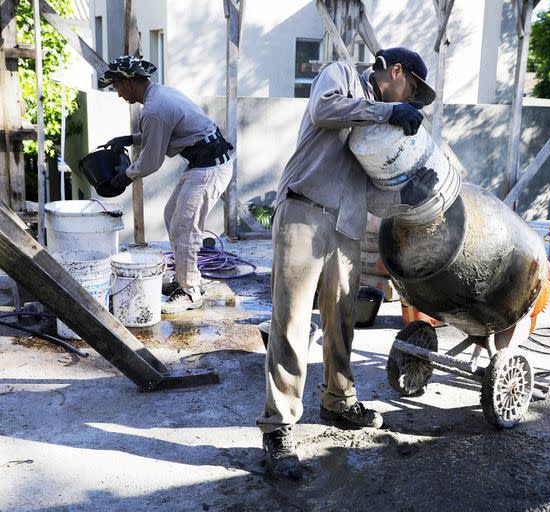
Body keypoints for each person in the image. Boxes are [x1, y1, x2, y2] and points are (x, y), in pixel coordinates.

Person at [258, 47, 438, 480]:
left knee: (341, 320)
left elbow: (370, 189)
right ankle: (279, 427)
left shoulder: (378, 121)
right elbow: (324, 111)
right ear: (396, 71)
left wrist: (404, 196)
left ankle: (338, 402)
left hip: (347, 225)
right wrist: (388, 110)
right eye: (412, 89)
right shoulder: (341, 76)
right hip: (305, 209)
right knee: (293, 321)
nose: (410, 101)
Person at [97, 56, 234, 314]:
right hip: (204, 162)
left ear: (128, 83)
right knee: (173, 216)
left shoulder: (154, 110)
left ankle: (191, 290)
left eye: (116, 86)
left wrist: (122, 178)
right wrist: (131, 138)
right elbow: (163, 133)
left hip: (210, 167)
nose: (117, 93)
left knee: (185, 227)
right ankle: (187, 278)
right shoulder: (159, 95)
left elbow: (150, 162)